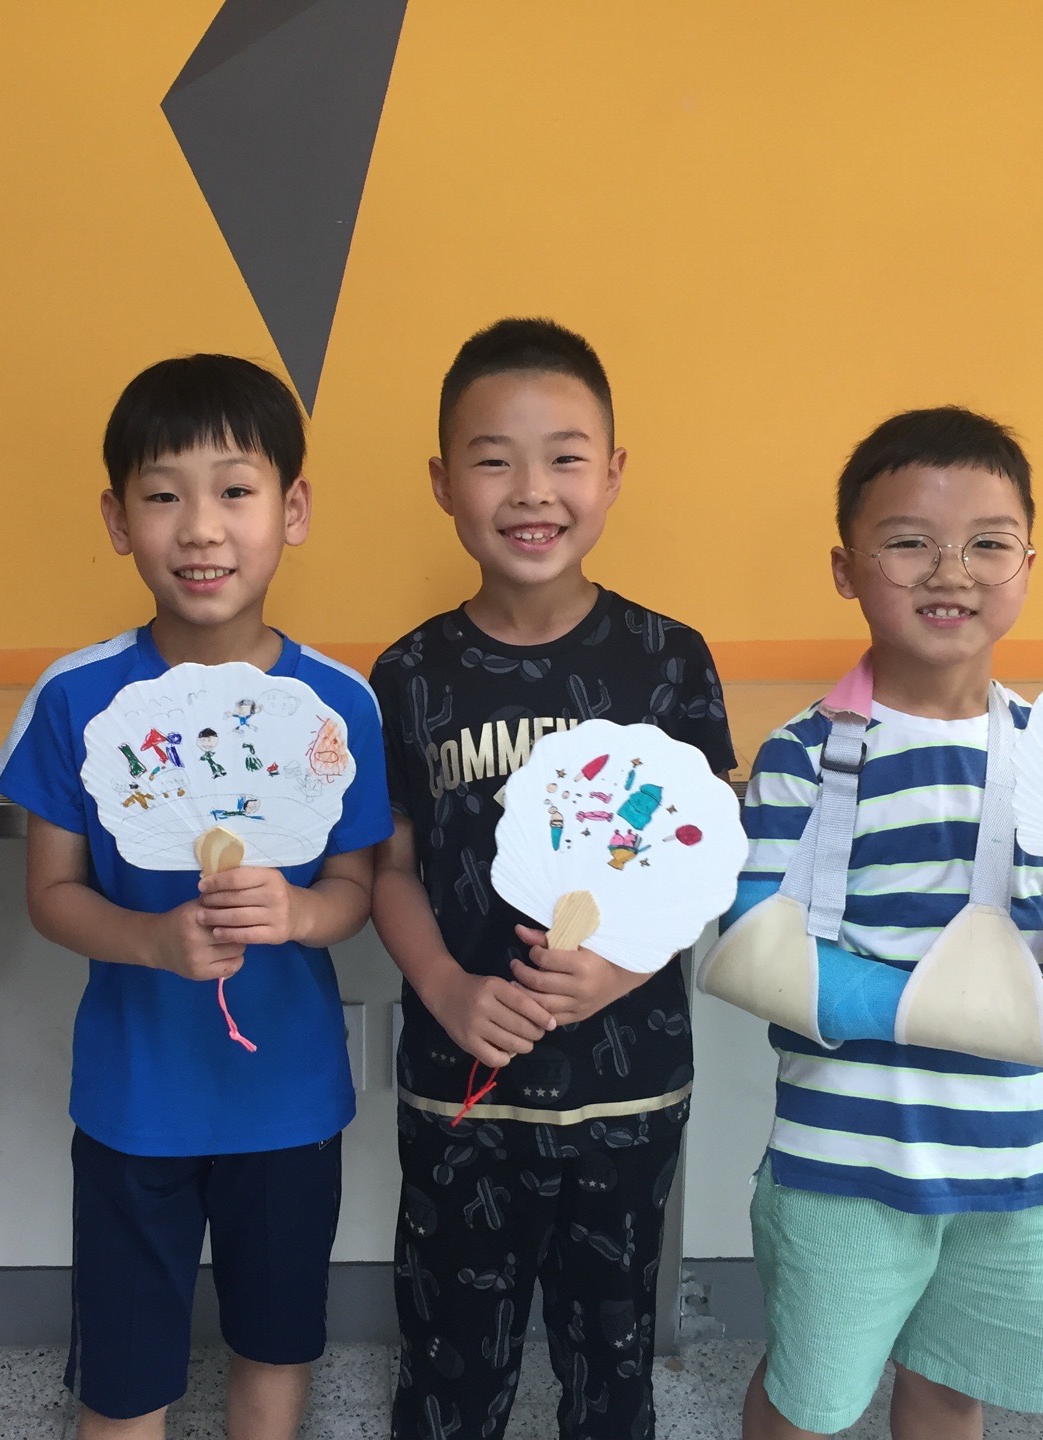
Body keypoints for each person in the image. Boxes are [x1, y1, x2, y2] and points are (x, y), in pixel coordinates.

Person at [715, 407, 1043, 1438]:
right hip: (846, 1165)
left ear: (1028, 567)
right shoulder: (800, 756)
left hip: (1019, 1158)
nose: (951, 572)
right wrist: (984, 1015)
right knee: (808, 1403)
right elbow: (753, 959)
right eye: (910, 542)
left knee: (952, 1389)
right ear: (846, 568)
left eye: (988, 545)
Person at [0, 354, 391, 1440]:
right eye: (163, 495)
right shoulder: (77, 697)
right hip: (136, 1101)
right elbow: (51, 894)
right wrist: (151, 940)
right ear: (118, 519)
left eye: (236, 491)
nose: (201, 528)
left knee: (275, 1345)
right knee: (124, 1378)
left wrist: (301, 915)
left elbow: (356, 886)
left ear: (292, 510)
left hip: (290, 1101)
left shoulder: (338, 704)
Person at [370, 318, 735, 1440]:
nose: (532, 490)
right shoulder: (409, 673)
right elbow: (388, 867)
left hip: (627, 1093)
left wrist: (618, 972)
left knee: (612, 1366)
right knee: (448, 1365)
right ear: (443, 482)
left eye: (565, 457)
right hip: (461, 1092)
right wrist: (445, 989)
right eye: (493, 460)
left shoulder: (670, 661)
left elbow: (705, 862)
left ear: (612, 474)